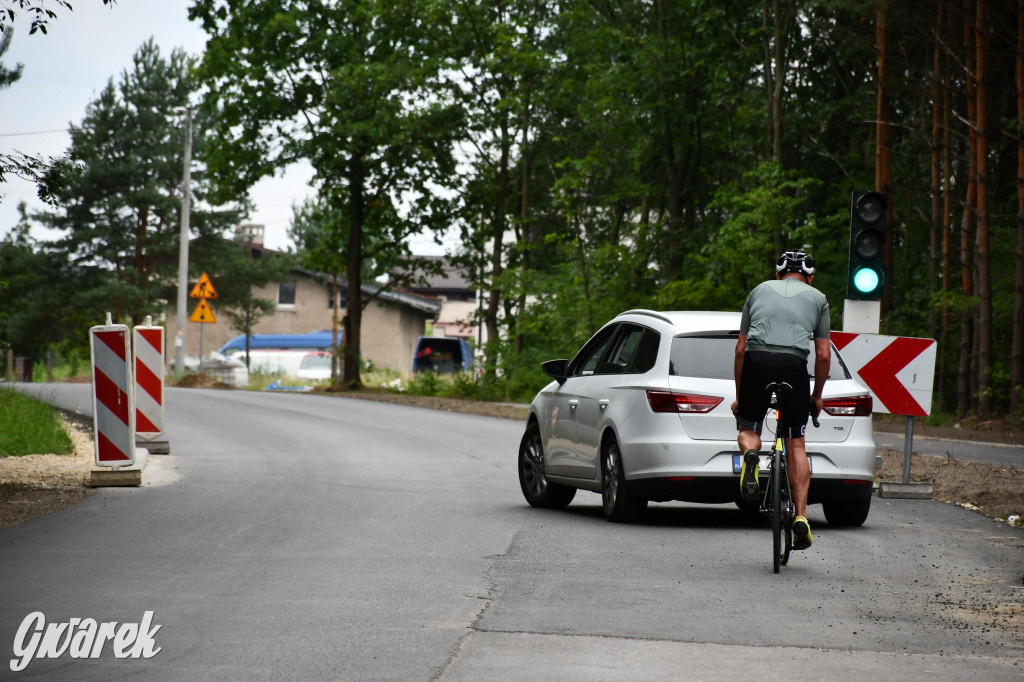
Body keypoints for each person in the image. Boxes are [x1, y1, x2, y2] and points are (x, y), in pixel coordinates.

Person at [731, 249, 830, 550]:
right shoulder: (818, 298)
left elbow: (739, 350)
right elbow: (824, 354)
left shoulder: (758, 290)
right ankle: (801, 516)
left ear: (778, 274)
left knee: (749, 428)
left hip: (757, 363)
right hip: (793, 367)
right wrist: (816, 396)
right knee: (796, 444)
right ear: (810, 277)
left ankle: (751, 457)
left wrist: (740, 397)